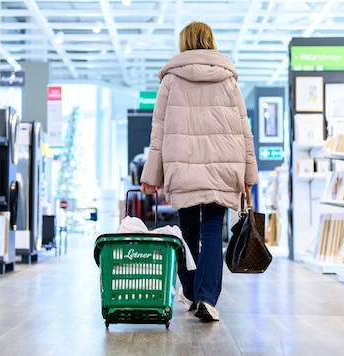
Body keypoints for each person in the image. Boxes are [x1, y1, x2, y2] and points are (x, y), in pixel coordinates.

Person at [140, 21, 258, 322]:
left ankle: (191, 292)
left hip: (183, 168)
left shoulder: (171, 80)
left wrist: (151, 175)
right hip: (223, 168)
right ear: (210, 40)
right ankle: (206, 298)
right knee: (211, 231)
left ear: (184, 43)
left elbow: (159, 132)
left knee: (187, 232)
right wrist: (249, 176)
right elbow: (245, 131)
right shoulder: (229, 80)